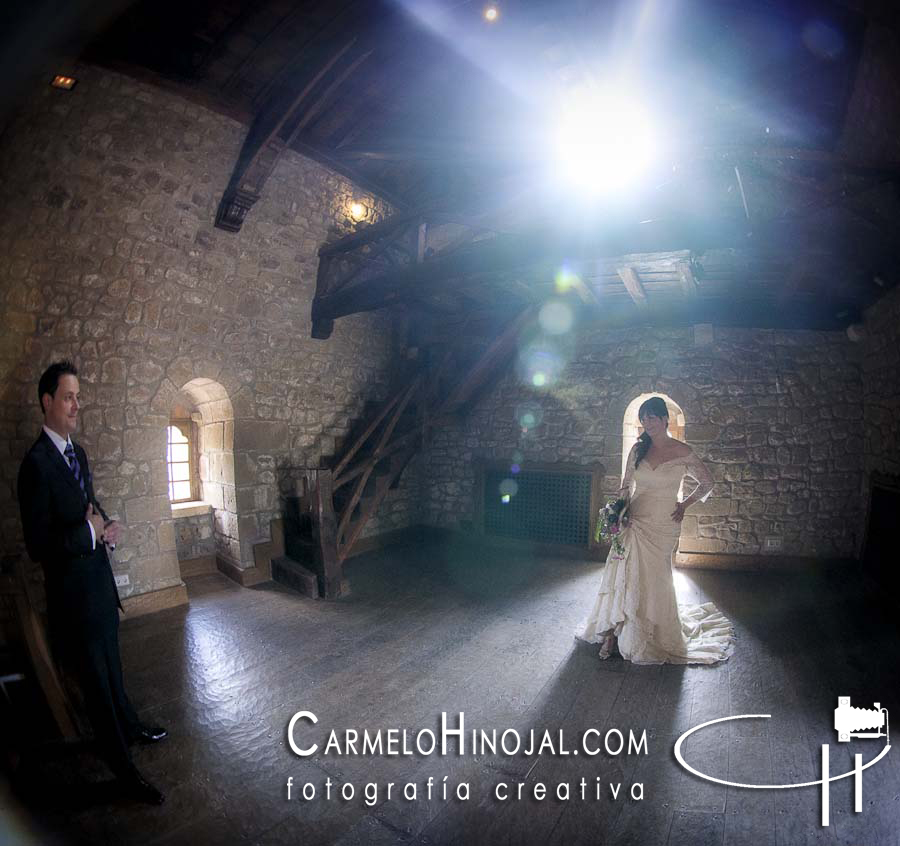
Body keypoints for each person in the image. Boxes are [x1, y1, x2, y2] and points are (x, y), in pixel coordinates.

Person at [17, 361, 168, 804]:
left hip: (100, 586)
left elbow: (90, 505)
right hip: (73, 598)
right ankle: (125, 774)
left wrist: (108, 525)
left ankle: (132, 727)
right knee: (96, 689)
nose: (76, 404)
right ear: (47, 401)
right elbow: (38, 544)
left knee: (113, 669)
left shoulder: (76, 453)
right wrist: (87, 531)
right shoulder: (36, 465)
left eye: (78, 396)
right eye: (68, 396)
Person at [578, 396, 734, 664]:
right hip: (636, 518)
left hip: (664, 522)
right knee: (623, 570)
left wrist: (685, 504)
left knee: (656, 577)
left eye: (652, 417)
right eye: (643, 418)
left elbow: (707, 482)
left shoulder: (683, 451)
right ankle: (614, 632)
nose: (647, 422)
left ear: (665, 419)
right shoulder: (638, 450)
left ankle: (648, 632)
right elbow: (626, 485)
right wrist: (620, 511)